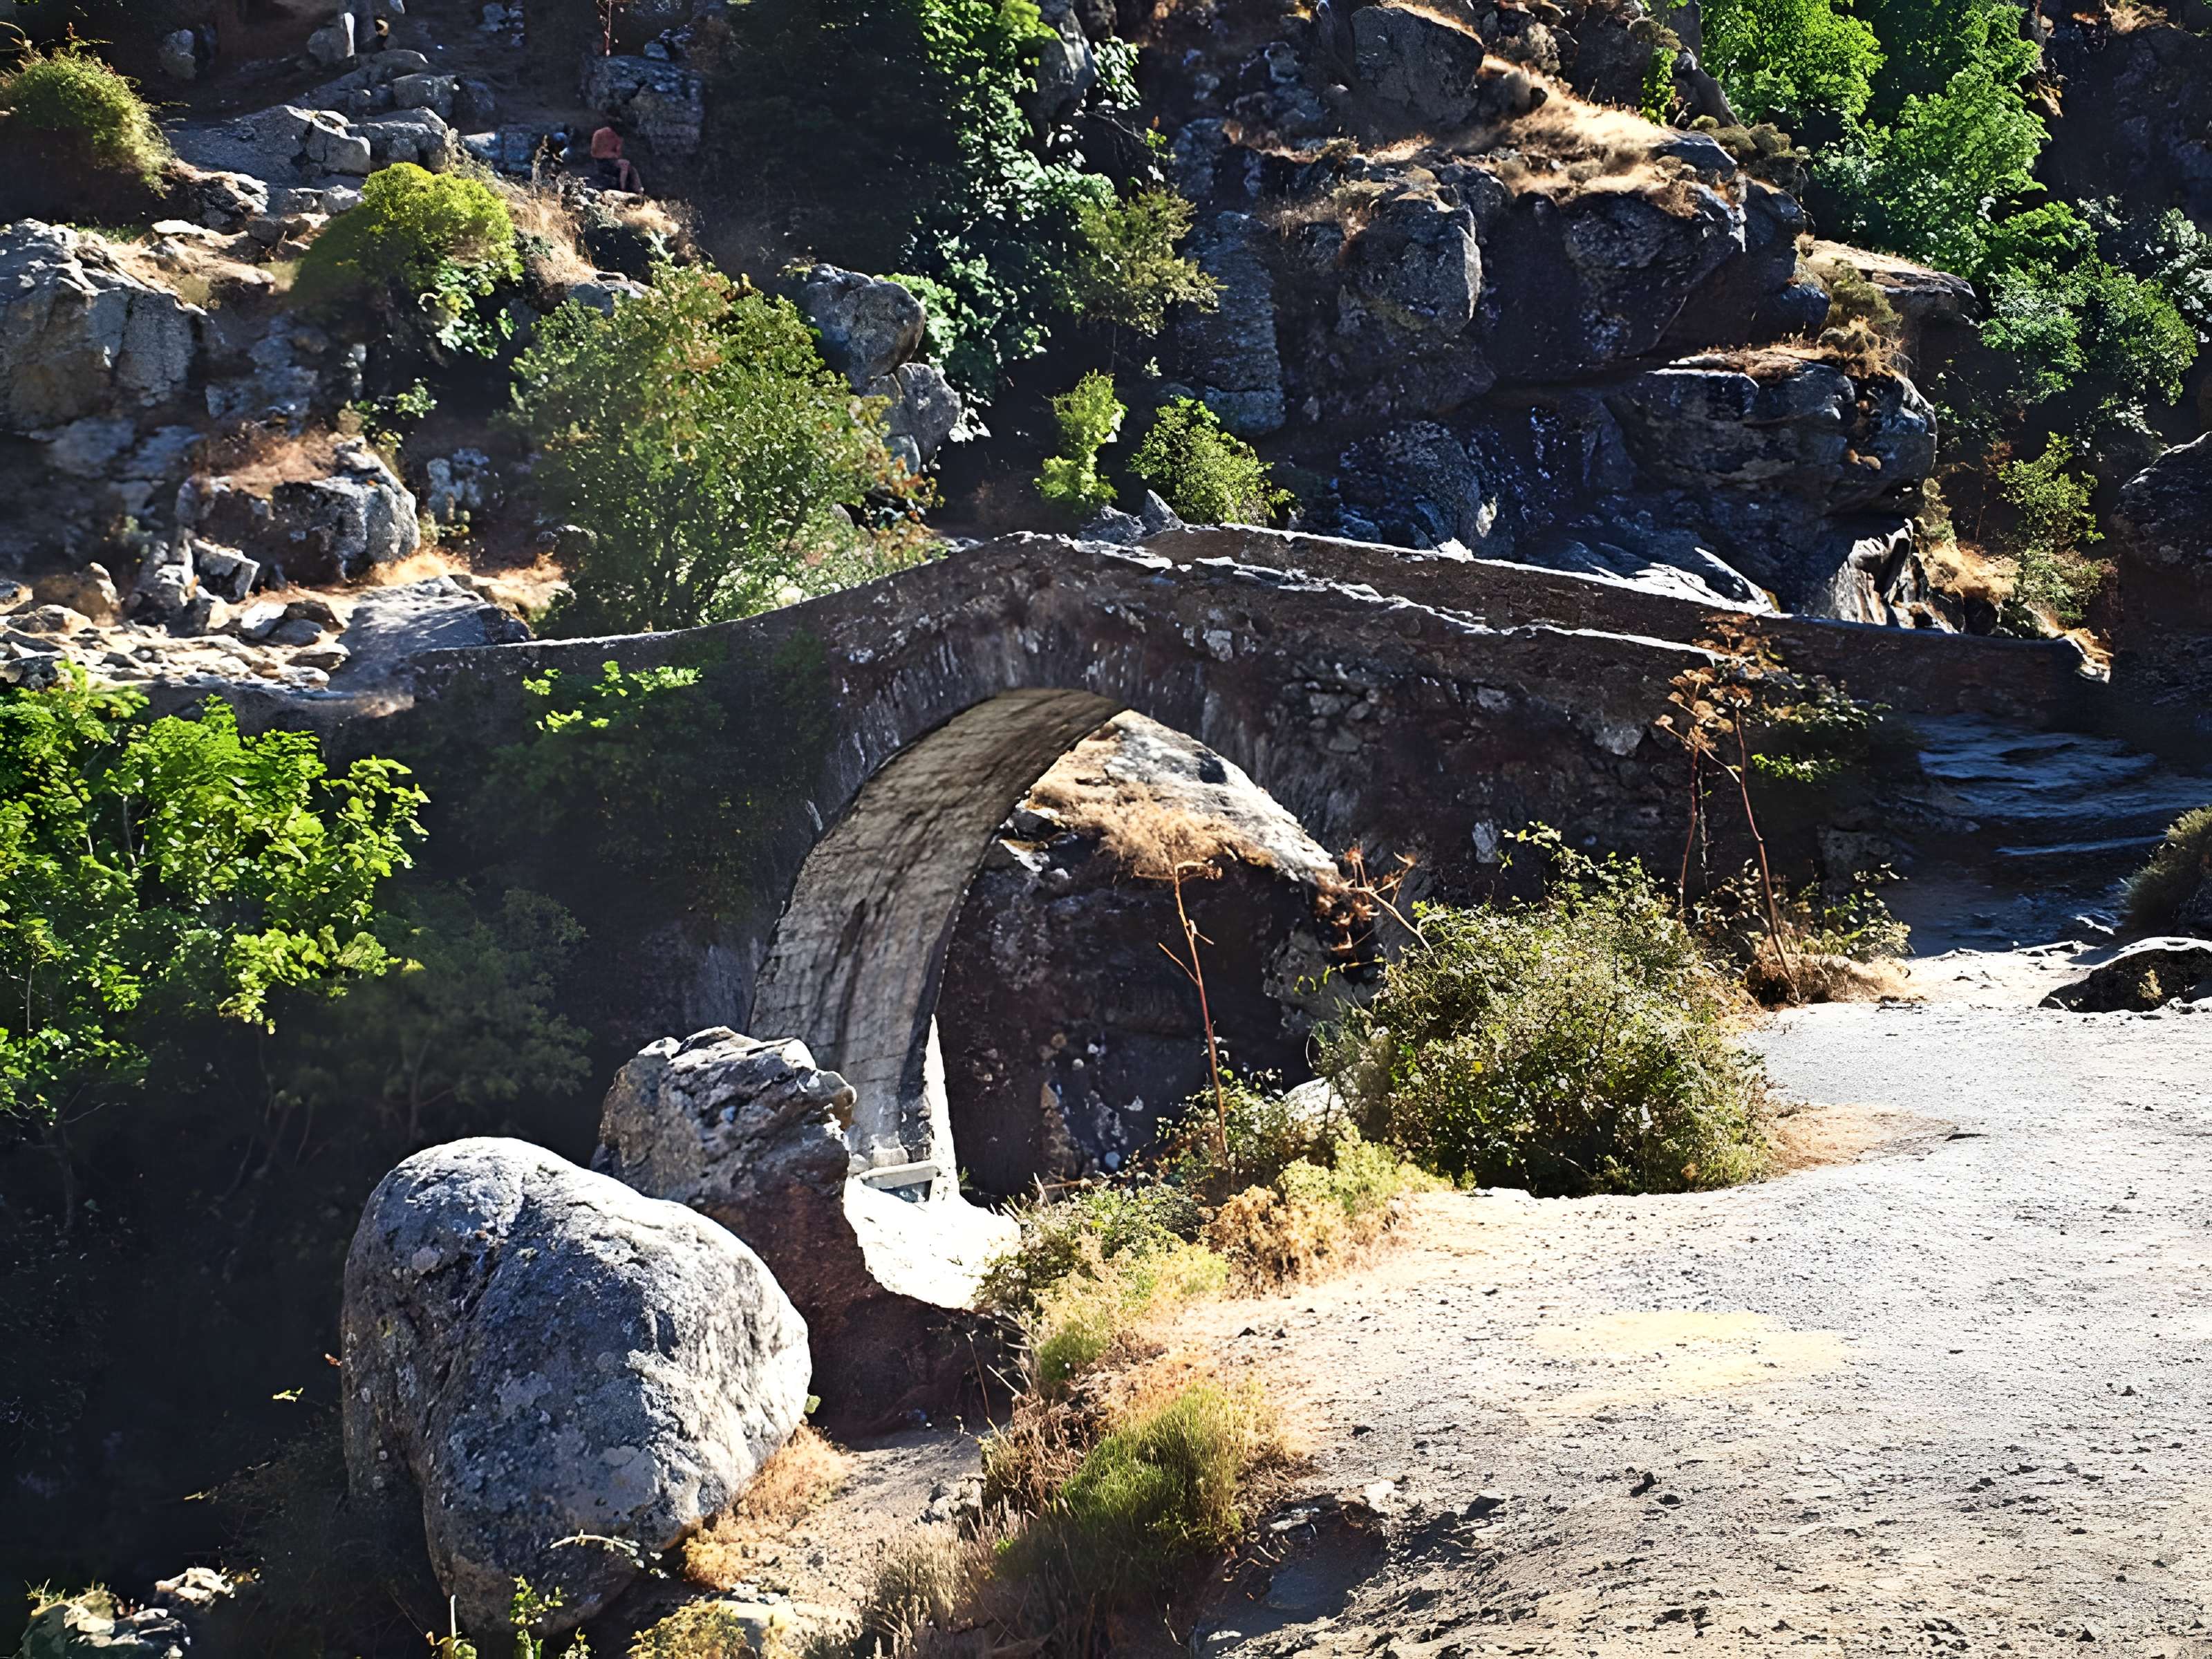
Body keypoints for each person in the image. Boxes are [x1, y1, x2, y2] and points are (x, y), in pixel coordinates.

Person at [589, 124, 642, 193]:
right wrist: (611, 155)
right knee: (625, 165)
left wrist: (615, 153)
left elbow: (618, 154)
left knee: (630, 169)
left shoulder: (616, 138)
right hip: (602, 161)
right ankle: (623, 188)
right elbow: (595, 153)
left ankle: (636, 188)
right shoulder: (600, 134)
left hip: (607, 161)